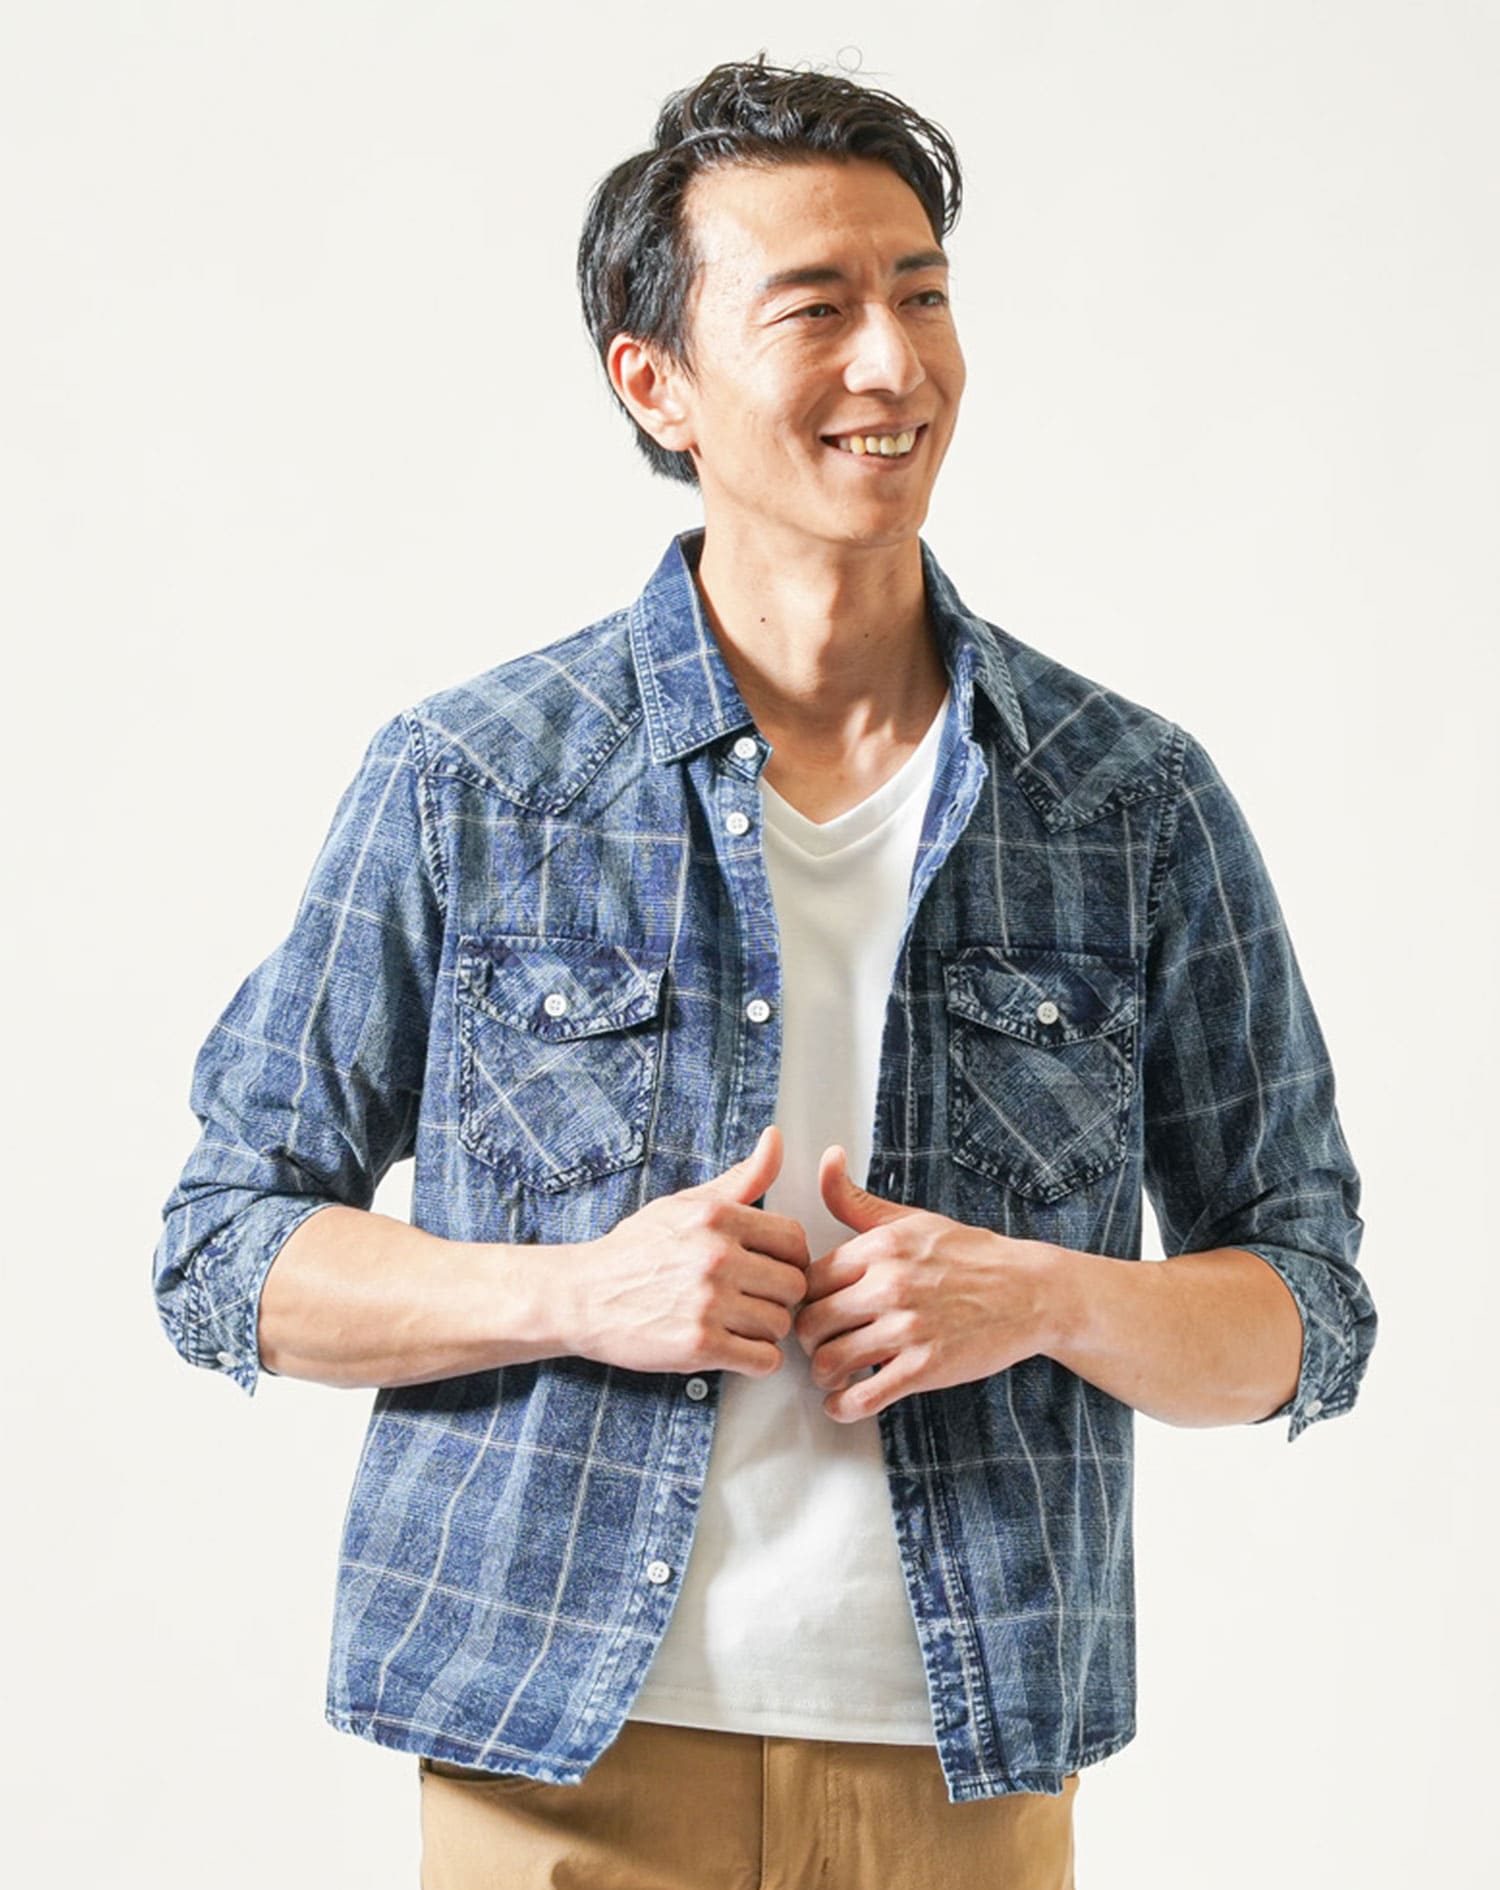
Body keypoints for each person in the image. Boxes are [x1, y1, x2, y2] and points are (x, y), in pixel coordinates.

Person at [153, 52, 1378, 1890]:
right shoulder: (475, 781)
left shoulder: (1128, 802)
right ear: (655, 382)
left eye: (923, 296)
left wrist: (1045, 1295)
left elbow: (1307, 1307)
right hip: (555, 1760)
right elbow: (222, 1248)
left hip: (965, 1769)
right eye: (816, 308)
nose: (894, 364)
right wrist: (579, 1291)